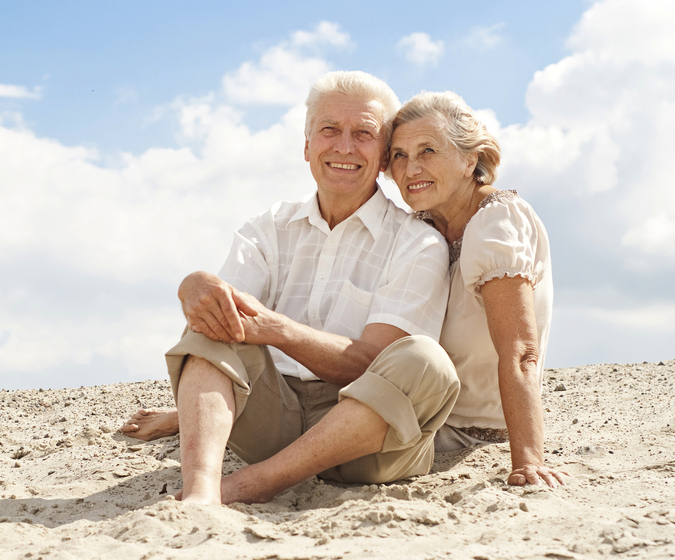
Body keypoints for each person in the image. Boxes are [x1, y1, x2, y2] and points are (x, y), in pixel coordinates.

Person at [121, 71, 460, 506]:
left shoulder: (418, 241)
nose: (344, 146)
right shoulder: (269, 229)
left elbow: (369, 363)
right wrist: (194, 286)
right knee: (213, 318)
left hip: (370, 445)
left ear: (384, 157)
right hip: (271, 425)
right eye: (329, 130)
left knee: (425, 359)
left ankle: (246, 486)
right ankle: (202, 492)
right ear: (306, 145)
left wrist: (277, 330)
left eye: (363, 134)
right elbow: (223, 315)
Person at [387, 91, 567, 488]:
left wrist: (528, 460)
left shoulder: (496, 220)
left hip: (465, 435)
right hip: (423, 417)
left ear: (471, 159)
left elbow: (520, 351)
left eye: (428, 150)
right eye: (398, 155)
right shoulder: (418, 227)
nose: (410, 167)